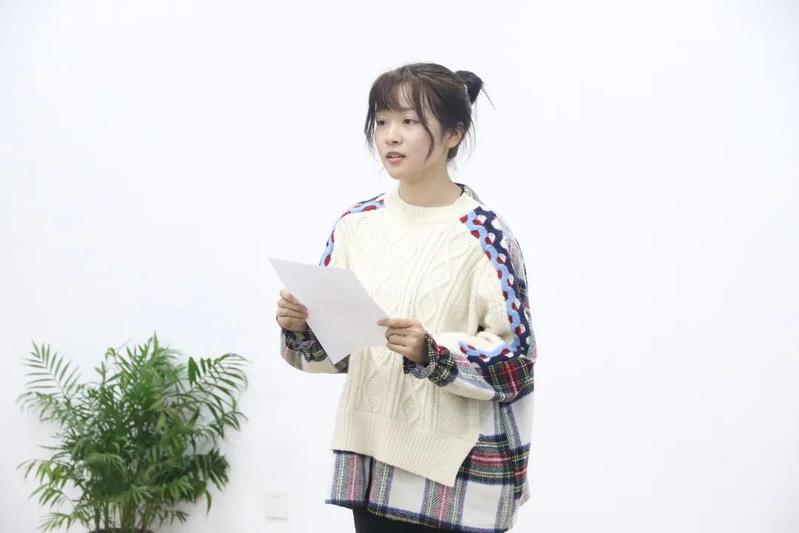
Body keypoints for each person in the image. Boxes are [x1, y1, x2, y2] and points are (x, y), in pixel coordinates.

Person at [275, 62, 537, 533]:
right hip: (372, 457)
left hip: (455, 469)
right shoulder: (355, 225)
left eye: (409, 121)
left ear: (453, 134)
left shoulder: (485, 236)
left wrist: (430, 351)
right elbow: (339, 353)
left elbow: (516, 359)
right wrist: (302, 327)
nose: (390, 136)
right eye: (381, 121)